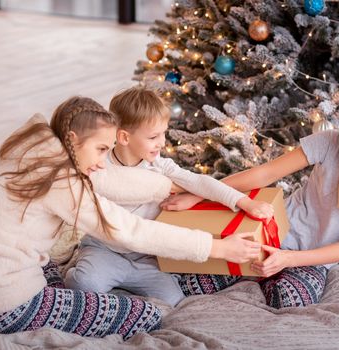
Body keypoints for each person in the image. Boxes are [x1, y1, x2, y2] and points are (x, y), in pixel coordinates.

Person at [0, 96, 264, 340]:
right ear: (75, 141)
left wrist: (176, 185)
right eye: (100, 151)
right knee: (147, 314)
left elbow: (106, 180)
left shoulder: (37, 148)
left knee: (57, 270)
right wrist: (217, 248)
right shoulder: (60, 180)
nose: (102, 161)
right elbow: (126, 230)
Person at [160, 89, 339, 308]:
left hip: (313, 258)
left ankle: (260, 277)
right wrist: (199, 194)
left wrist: (286, 260)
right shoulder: (329, 142)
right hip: (275, 233)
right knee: (185, 282)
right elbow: (263, 174)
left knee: (290, 299)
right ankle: (254, 276)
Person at [64, 87, 274, 307]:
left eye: (164, 133)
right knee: (83, 284)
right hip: (104, 250)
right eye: (154, 136)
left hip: (147, 256)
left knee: (173, 302)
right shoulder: (100, 163)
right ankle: (93, 275)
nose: (162, 142)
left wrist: (244, 201)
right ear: (124, 137)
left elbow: (201, 182)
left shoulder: (160, 165)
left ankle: (125, 292)